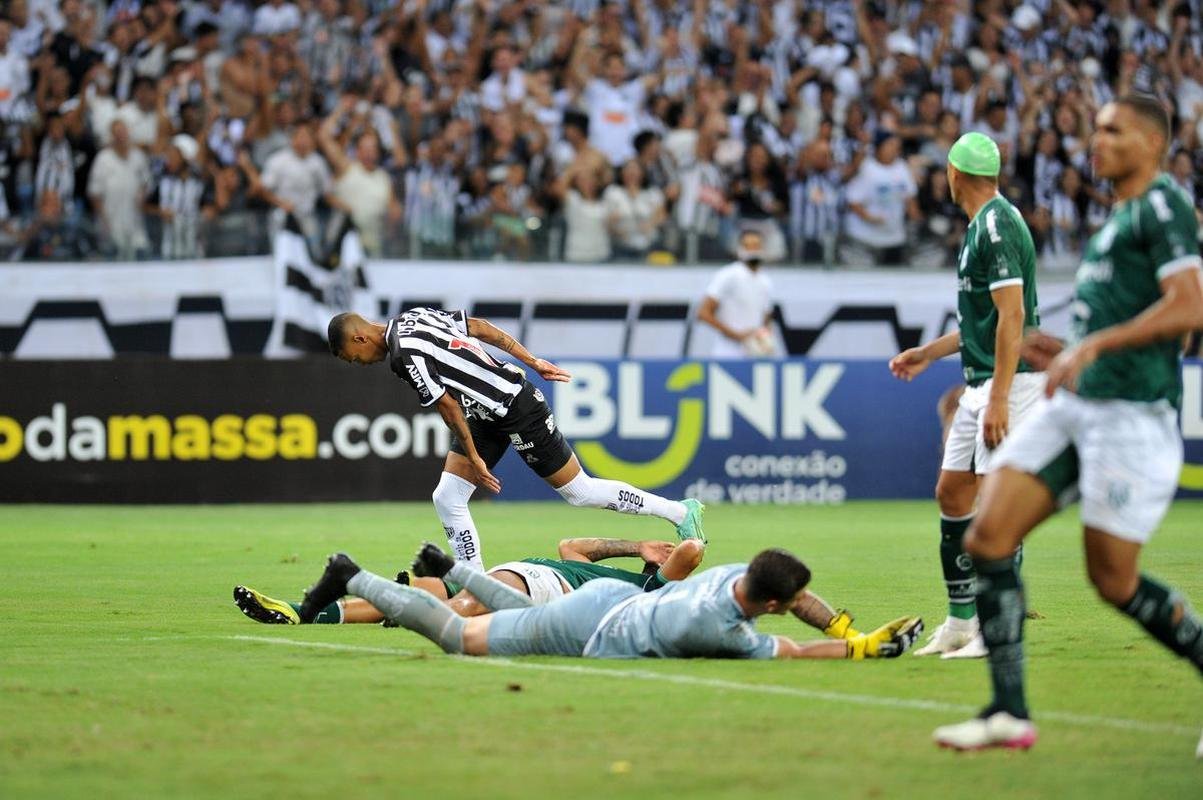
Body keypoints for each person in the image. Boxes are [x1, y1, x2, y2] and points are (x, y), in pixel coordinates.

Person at [932, 96, 1203, 753]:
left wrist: (1094, 349)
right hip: (1076, 405)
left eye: (1112, 130)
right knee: (987, 535)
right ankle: (1007, 711)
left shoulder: (1162, 206)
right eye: (1096, 128)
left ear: (1149, 142)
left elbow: (1190, 305)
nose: (1096, 140)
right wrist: (1058, 348)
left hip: (1130, 415)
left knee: (1112, 580)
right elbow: (1097, 326)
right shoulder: (1113, 223)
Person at [326, 308, 706, 571]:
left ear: (360, 337)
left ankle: (678, 511)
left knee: (580, 492)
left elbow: (446, 406)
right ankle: (472, 579)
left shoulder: (401, 354)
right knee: (447, 496)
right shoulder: (414, 317)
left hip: (515, 408)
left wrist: (474, 457)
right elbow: (481, 328)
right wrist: (532, 359)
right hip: (485, 413)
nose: (357, 363)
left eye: (351, 356)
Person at [888, 132, 1042, 660]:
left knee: (996, 507)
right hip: (984, 382)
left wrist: (999, 397)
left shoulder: (996, 225)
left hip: (1010, 385)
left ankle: (995, 627)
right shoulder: (984, 225)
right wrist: (929, 353)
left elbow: (1013, 317)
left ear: (954, 174)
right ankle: (959, 621)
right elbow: (982, 324)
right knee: (953, 493)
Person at [297, 545, 924, 661]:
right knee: (460, 640)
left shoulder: (741, 573)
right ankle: (352, 577)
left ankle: (452, 569)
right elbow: (790, 648)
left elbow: (799, 600)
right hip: (588, 628)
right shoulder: (720, 631)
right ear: (773, 603)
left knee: (509, 613)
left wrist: (850, 631)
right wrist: (851, 652)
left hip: (611, 595)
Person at [235, 536, 710, 624]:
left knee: (417, 597)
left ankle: (306, 613)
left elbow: (691, 553)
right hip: (537, 581)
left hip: (532, 579)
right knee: (451, 618)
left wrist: (658, 547)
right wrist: (641, 545)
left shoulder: (645, 593)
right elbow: (572, 543)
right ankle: (351, 586)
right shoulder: (639, 591)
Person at [697, 229, 775, 358]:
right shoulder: (728, 275)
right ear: (740, 249)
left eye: (756, 246)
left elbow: (766, 318)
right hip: (727, 352)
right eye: (748, 246)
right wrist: (735, 335)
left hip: (754, 352)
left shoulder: (765, 281)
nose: (753, 251)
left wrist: (764, 339)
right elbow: (703, 313)